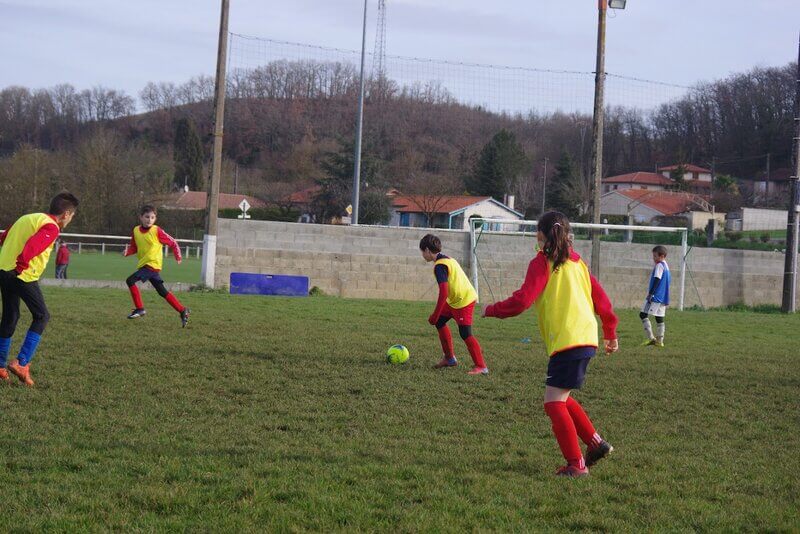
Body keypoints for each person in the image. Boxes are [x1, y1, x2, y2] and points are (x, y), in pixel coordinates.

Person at [481, 211, 619, 477]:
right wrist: (610, 331)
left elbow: (522, 301)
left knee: (553, 403)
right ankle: (596, 444)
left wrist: (492, 309)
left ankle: (576, 465)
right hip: (585, 338)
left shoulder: (542, 262)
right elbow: (601, 299)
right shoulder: (578, 263)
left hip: (568, 341)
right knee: (562, 398)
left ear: (540, 235)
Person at [0, 192, 80, 386]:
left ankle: (0, 365)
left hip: (3, 271)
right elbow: (33, 245)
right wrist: (20, 265)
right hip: (21, 275)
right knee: (42, 316)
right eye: (72, 216)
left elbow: (3, 237)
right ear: (67, 214)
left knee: (10, 317)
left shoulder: (28, 217)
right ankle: (22, 363)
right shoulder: (51, 227)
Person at [419, 234, 488, 375]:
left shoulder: (440, 266)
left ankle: (481, 366)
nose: (422, 255)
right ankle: (449, 359)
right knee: (439, 322)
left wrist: (435, 314)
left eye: (422, 252)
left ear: (427, 250)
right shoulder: (447, 259)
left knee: (465, 333)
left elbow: (443, 292)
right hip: (455, 300)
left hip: (464, 301)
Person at [123, 205, 190, 327]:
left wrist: (178, 256)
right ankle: (182, 310)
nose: (149, 220)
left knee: (130, 280)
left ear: (155, 219)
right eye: (147, 217)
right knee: (162, 291)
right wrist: (127, 252)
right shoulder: (136, 231)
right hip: (145, 265)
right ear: (141, 217)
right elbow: (134, 247)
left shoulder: (156, 230)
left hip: (152, 265)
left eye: (152, 217)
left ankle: (140, 308)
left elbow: (173, 242)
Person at [641, 245, 670, 347]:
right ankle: (660, 342)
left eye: (655, 256)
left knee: (643, 314)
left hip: (655, 296)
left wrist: (651, 293)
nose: (654, 259)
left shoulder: (659, 266)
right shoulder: (666, 266)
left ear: (662, 256)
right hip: (663, 297)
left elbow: (657, 279)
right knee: (659, 318)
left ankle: (651, 339)